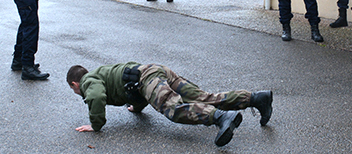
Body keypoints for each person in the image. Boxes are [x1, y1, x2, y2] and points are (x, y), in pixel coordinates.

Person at [67, 62, 273, 147]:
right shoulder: (102, 74)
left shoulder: (87, 81)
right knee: (202, 98)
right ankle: (256, 98)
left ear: (75, 83)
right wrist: (136, 108)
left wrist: (96, 125)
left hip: (148, 79)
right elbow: (130, 90)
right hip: (157, 71)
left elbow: (96, 97)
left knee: (172, 109)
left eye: (74, 89)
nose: (78, 92)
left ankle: (220, 117)